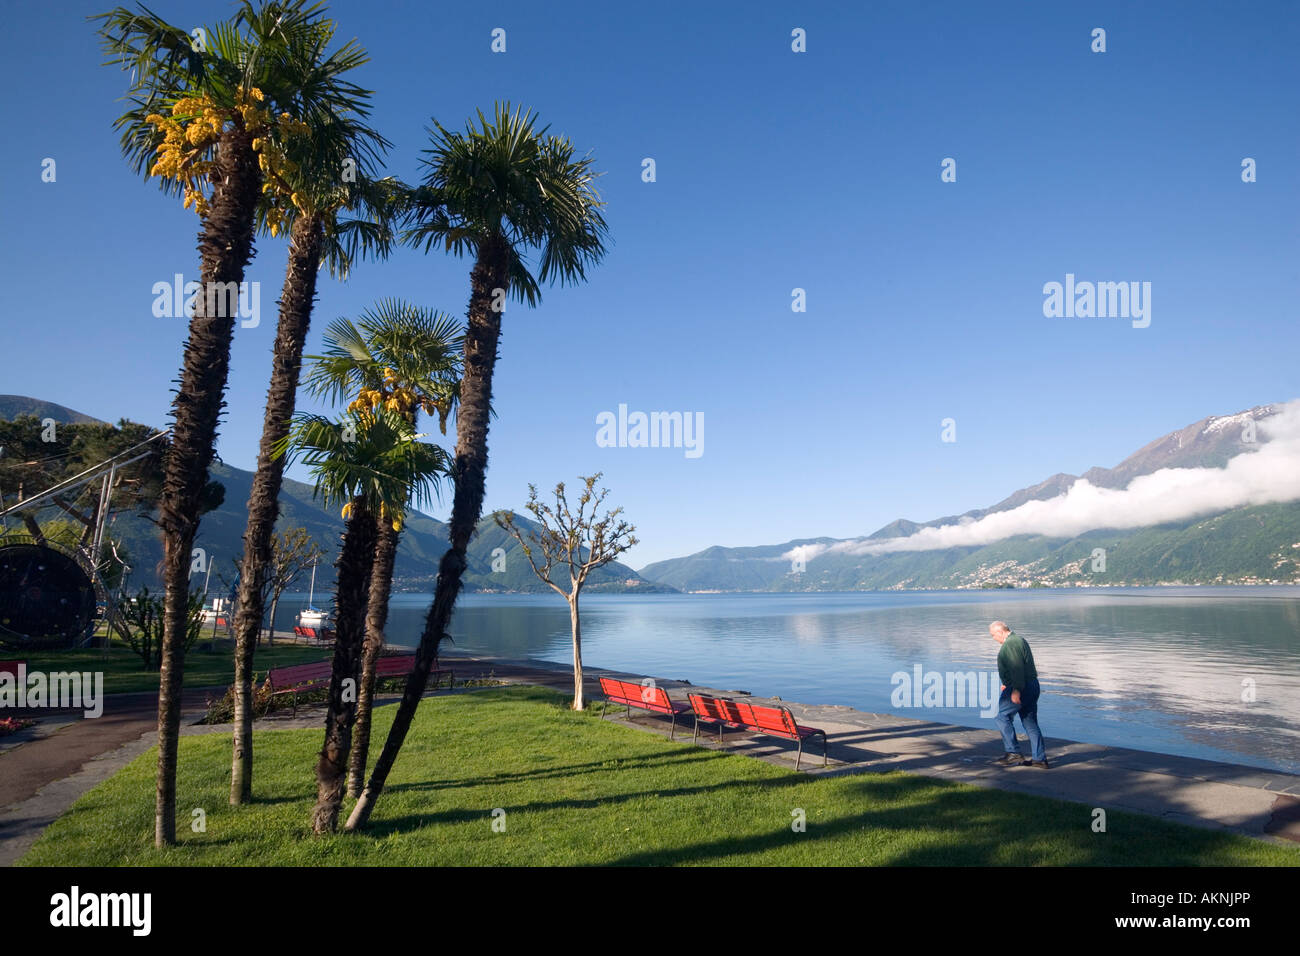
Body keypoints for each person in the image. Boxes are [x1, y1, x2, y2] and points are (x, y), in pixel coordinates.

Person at [989, 621, 1048, 768]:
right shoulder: (1019, 640)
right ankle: (1039, 759)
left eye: (993, 635)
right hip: (1031, 685)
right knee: (1030, 723)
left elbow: (1017, 668)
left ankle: (1013, 752)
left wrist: (1016, 689)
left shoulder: (1011, 644)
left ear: (1001, 632)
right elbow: (1018, 666)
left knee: (1001, 716)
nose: (993, 639)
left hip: (1022, 687)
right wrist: (1007, 681)